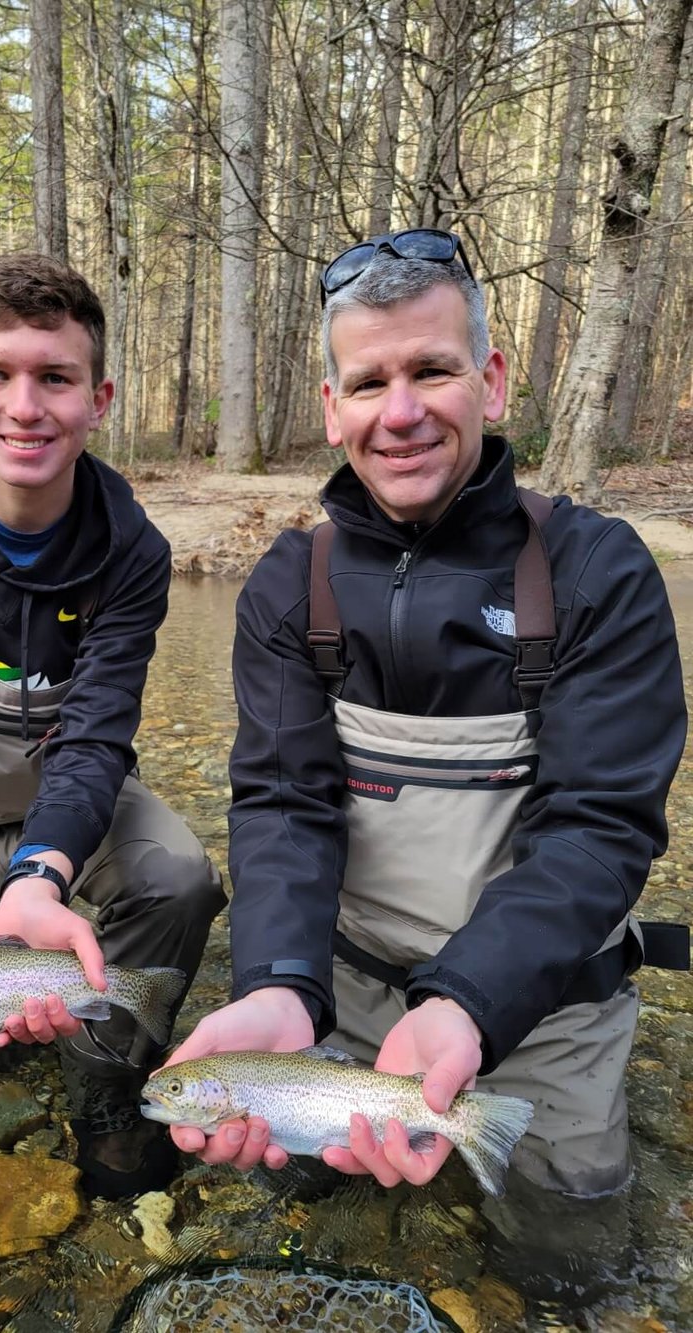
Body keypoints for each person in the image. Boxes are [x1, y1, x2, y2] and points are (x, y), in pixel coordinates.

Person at [163, 228, 687, 1295]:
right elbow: (279, 802)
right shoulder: (287, 583)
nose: (399, 411)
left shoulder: (596, 572)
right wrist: (275, 987)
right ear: (330, 406)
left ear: (489, 380)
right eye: (368, 381)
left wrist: (461, 1004)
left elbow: (600, 827)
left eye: (431, 370)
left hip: (542, 1005)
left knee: (567, 1259)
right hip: (344, 991)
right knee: (294, 1219)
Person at [0, 250, 225, 1197]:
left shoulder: (133, 549)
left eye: (54, 377)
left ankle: (112, 1076)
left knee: (180, 879)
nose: (25, 406)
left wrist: (41, 874)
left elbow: (99, 732)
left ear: (97, 396)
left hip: (76, 786)